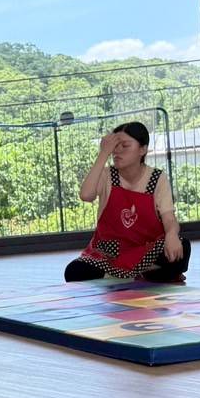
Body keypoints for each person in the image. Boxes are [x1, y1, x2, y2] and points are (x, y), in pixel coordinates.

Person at [65, 121, 189, 283]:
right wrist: (103, 153)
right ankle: (142, 274)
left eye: (125, 146)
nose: (117, 151)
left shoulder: (157, 178)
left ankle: (126, 275)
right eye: (115, 146)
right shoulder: (106, 175)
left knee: (183, 247)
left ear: (142, 149)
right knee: (74, 271)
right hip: (110, 253)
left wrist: (171, 235)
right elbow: (86, 195)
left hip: (145, 249)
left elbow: (169, 218)